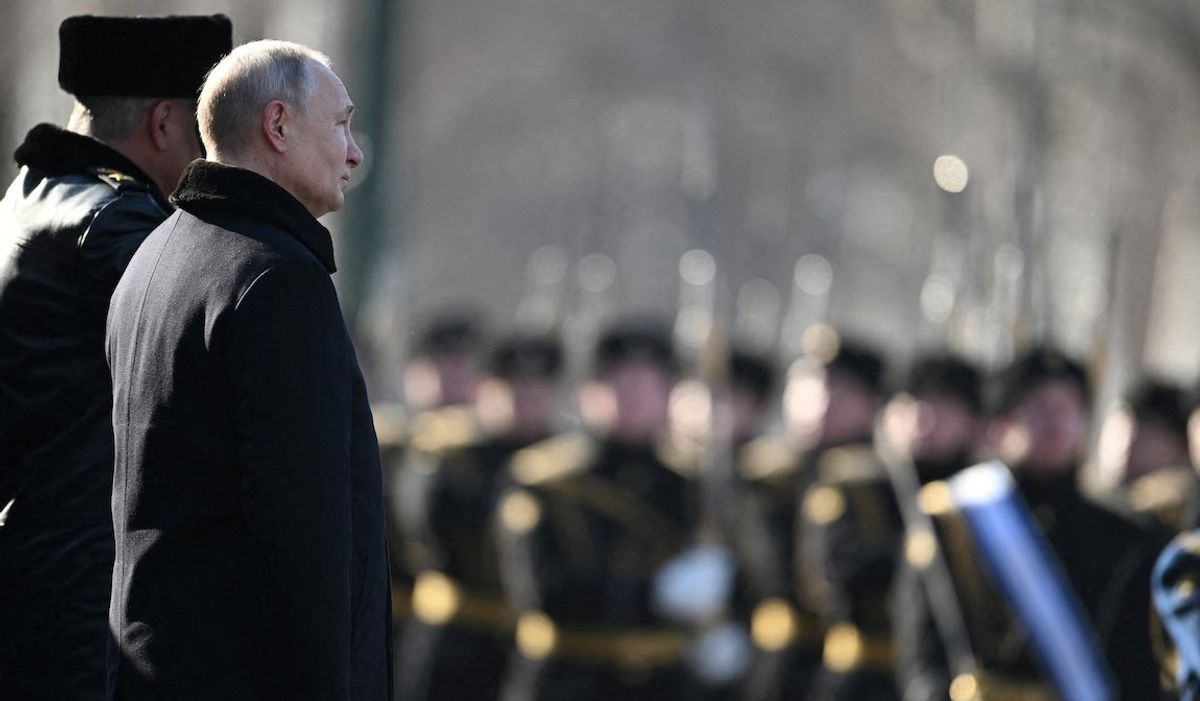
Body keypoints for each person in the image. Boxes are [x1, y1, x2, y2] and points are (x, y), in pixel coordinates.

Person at [105, 40, 390, 699]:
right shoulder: (276, 278)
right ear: (279, 125)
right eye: (342, 123)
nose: (354, 152)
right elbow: (303, 546)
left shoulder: (153, 260)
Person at [0, 14, 231, 699]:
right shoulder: (120, 225)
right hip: (85, 599)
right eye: (206, 131)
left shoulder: (32, 198)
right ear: (164, 124)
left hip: (39, 575)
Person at [894, 346, 1166, 701]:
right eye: (1038, 409)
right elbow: (923, 651)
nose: (1056, 424)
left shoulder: (1124, 537)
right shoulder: (958, 518)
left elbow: (1136, 664)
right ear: (1000, 425)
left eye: (1068, 409)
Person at [494, 320, 697, 701]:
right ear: (590, 393)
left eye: (648, 384)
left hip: (661, 683)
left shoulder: (689, 484)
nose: (635, 397)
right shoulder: (546, 479)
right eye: (621, 383)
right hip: (571, 678)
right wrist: (658, 593)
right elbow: (543, 591)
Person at [799, 352, 984, 701]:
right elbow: (835, 576)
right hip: (868, 675)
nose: (924, 420)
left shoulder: (978, 500)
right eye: (912, 404)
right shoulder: (855, 485)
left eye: (943, 406)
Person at [395, 334, 564, 701]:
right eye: (513, 386)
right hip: (462, 636)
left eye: (538, 387)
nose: (527, 398)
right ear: (484, 389)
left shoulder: (563, 468)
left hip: (529, 643)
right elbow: (428, 532)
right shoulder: (453, 459)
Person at [733, 327, 886, 701]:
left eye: (836, 391)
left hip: (859, 669)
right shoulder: (767, 477)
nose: (818, 403)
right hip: (777, 665)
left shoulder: (879, 482)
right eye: (807, 389)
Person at [1095, 378, 1196, 530]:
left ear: (1179, 448)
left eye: (1144, 433)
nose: (1127, 442)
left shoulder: (1181, 521)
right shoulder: (1092, 508)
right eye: (1119, 428)